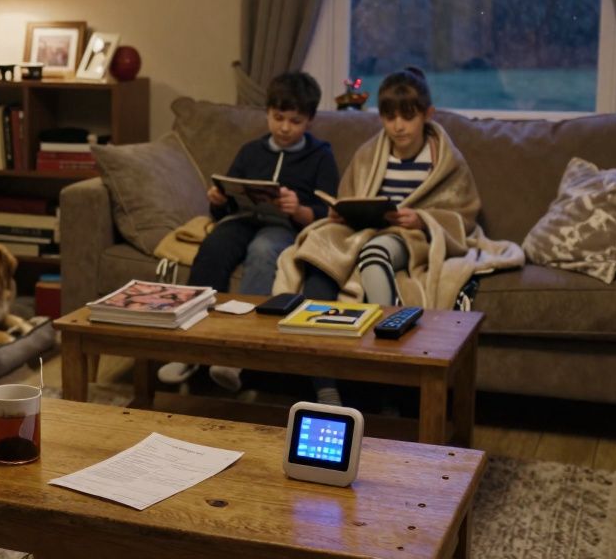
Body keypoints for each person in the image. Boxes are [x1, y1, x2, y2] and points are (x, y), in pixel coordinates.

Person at [273, 67, 516, 405]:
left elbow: (462, 211)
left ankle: (391, 370)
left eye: (407, 117)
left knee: (375, 253)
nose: (398, 126)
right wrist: (343, 212)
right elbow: (351, 193)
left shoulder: (445, 158)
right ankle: (323, 383)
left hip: (411, 236)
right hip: (363, 229)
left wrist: (422, 219)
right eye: (389, 117)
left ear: (427, 115)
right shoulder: (371, 153)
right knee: (316, 251)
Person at [157, 72, 339, 391]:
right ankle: (190, 347)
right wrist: (218, 199)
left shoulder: (321, 155)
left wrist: (298, 210)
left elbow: (328, 212)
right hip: (242, 219)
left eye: (294, 121)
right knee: (214, 246)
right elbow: (226, 202)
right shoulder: (251, 151)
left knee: (263, 250)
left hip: (284, 227)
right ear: (267, 113)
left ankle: (237, 354)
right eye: (278, 117)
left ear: (309, 121)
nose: (284, 127)